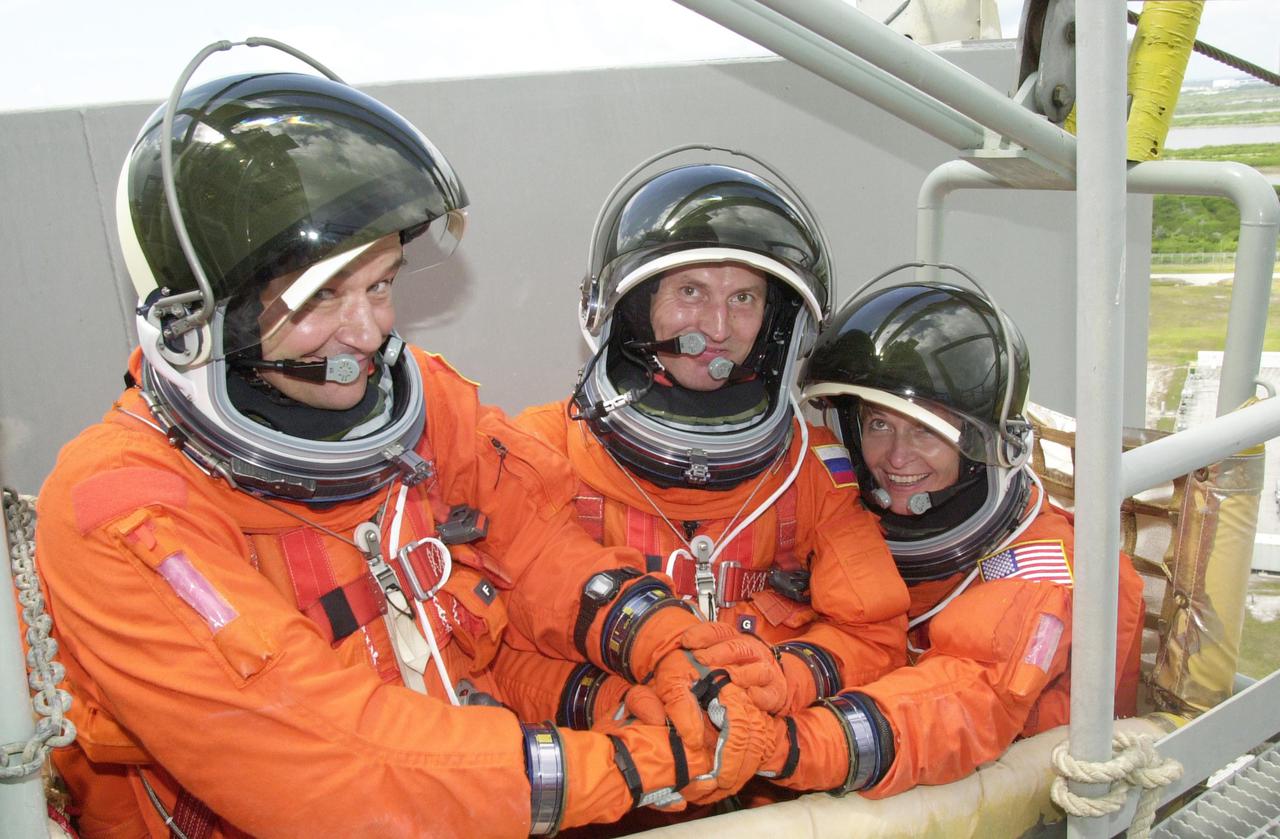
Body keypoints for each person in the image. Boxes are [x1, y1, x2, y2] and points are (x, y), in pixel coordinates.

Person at [32, 44, 773, 838]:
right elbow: (330, 759)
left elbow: (541, 555)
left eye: (381, 283)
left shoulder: (426, 405)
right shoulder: (120, 509)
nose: (369, 328)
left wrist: (673, 650)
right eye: (322, 298)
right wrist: (628, 766)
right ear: (205, 318)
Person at [489, 156, 911, 802]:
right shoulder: (544, 448)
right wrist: (607, 701)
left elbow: (875, 632)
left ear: (773, 322)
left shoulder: (809, 467)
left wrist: (784, 678)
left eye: (743, 298)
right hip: (609, 787)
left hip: (763, 785)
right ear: (634, 307)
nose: (718, 329)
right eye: (690, 292)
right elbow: (496, 648)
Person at [764, 276, 1147, 797]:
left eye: (926, 430)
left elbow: (965, 697)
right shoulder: (850, 524)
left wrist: (793, 745)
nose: (897, 459)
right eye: (879, 426)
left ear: (980, 445)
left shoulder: (1043, 570)